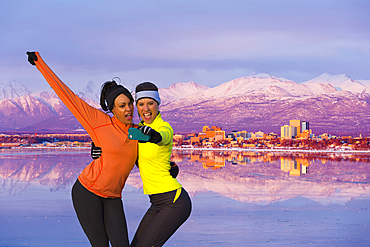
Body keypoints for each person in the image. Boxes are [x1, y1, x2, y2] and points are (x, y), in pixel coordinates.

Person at [26, 51, 137, 247]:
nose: (128, 109)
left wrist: (168, 167)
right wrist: (40, 63)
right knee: (100, 245)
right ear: (112, 109)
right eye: (122, 106)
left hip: (113, 196)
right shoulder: (98, 122)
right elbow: (67, 96)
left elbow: (149, 157)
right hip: (87, 192)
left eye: (130, 104)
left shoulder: (138, 133)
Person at [130, 82, 192, 247]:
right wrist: (98, 148)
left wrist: (153, 135)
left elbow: (162, 137)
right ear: (136, 106)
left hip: (174, 201)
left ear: (157, 104)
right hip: (156, 203)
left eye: (150, 103)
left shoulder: (163, 127)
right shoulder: (138, 130)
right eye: (141, 104)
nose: (146, 108)